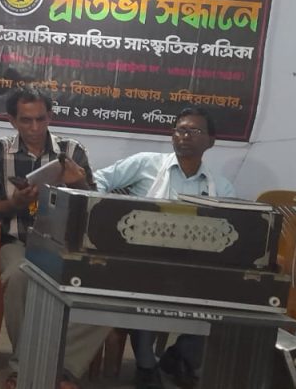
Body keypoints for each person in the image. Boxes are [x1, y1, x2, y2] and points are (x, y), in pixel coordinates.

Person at [93, 106, 234, 389]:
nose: (185, 136)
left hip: (195, 266)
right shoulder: (146, 163)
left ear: (211, 141)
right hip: (142, 260)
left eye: (194, 131)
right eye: (180, 130)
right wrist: (109, 214)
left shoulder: (222, 188)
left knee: (228, 293)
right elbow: (98, 180)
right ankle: (147, 365)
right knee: (148, 283)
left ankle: (179, 356)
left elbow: (229, 232)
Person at [0, 87, 110, 389]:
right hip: (18, 241)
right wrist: (15, 203)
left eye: (41, 119)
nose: (35, 128)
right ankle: (26, 366)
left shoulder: (72, 150)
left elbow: (93, 208)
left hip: (64, 246)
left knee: (106, 292)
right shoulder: (0, 150)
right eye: (26, 120)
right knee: (19, 276)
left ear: (50, 116)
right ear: (12, 120)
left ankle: (62, 369)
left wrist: (79, 183)